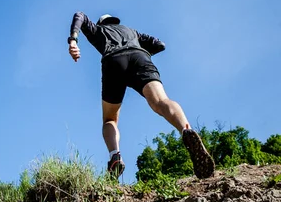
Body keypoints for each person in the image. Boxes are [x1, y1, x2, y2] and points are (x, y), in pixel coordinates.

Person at [68, 11, 215, 179]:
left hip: (113, 61)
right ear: (115, 22)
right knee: (160, 101)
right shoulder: (132, 32)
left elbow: (80, 15)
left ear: (102, 23)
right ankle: (186, 131)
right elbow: (160, 44)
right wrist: (139, 51)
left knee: (110, 119)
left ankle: (115, 155)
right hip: (140, 57)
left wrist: (73, 40)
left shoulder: (99, 31)